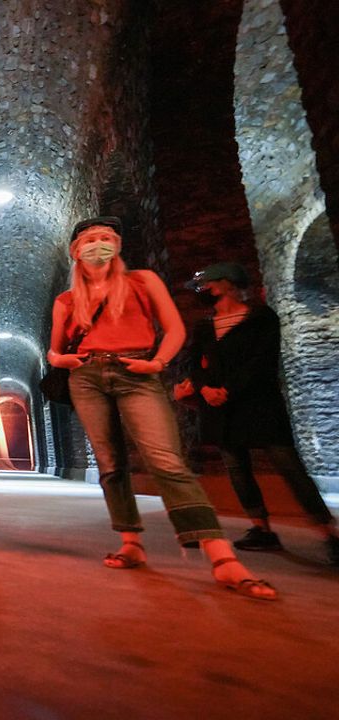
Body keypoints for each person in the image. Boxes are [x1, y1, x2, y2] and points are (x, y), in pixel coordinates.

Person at [47, 217, 277, 600]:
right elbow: (55, 350)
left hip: (136, 369)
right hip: (86, 376)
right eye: (90, 240)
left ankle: (220, 555)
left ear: (117, 245)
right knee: (110, 464)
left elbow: (174, 329)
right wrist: (62, 361)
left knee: (166, 460)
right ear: (76, 251)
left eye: (106, 238)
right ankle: (130, 541)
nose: (99, 245)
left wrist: (157, 364)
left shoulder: (141, 281)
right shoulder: (67, 301)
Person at [174, 261, 339, 565]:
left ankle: (327, 530)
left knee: (287, 464)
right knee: (237, 468)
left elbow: (262, 360)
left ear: (227, 283)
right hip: (218, 405)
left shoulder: (261, 318)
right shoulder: (205, 326)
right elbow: (192, 362)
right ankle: (260, 527)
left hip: (258, 402)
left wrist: (229, 389)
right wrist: (205, 388)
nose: (202, 291)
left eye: (206, 285)